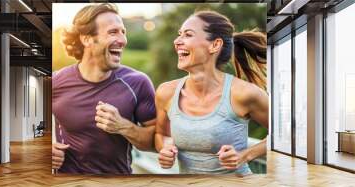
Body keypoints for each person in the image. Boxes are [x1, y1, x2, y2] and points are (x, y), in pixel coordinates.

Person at [155, 11, 268, 175]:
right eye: (179, 35)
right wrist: (165, 148)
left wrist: (245, 155)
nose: (177, 41)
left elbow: (287, 135)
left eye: (188, 35)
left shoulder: (243, 93)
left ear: (215, 45)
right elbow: (160, 134)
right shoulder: (166, 92)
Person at [52, 3, 156, 174]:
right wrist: (48, 150)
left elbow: (156, 143)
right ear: (86, 39)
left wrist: (123, 126)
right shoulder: (56, 81)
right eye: (113, 32)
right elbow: (37, 129)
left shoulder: (137, 83)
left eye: (123, 32)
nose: (123, 40)